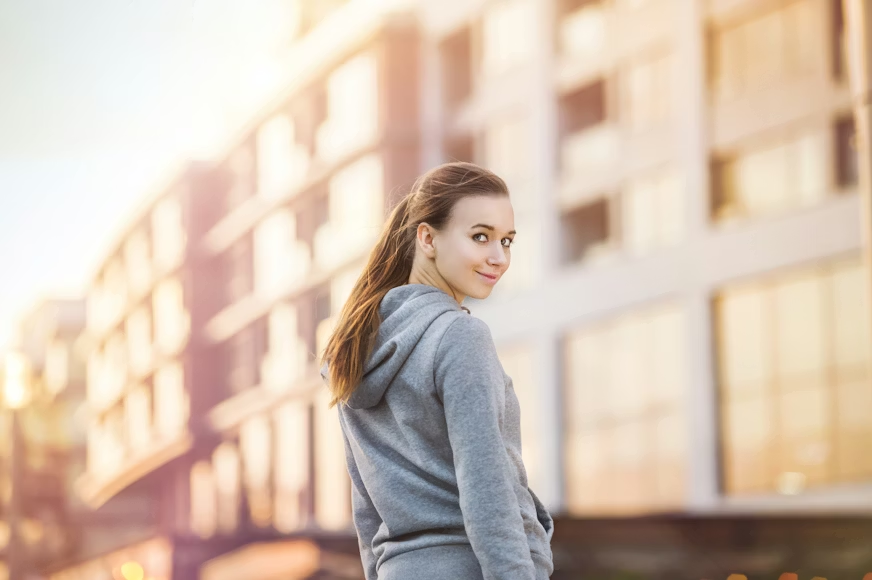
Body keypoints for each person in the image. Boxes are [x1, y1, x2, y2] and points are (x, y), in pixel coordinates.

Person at [320, 162, 554, 580]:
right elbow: (487, 488)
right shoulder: (460, 336)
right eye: (480, 236)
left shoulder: (354, 347)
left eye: (507, 240)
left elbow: (366, 508)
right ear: (427, 237)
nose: (498, 257)